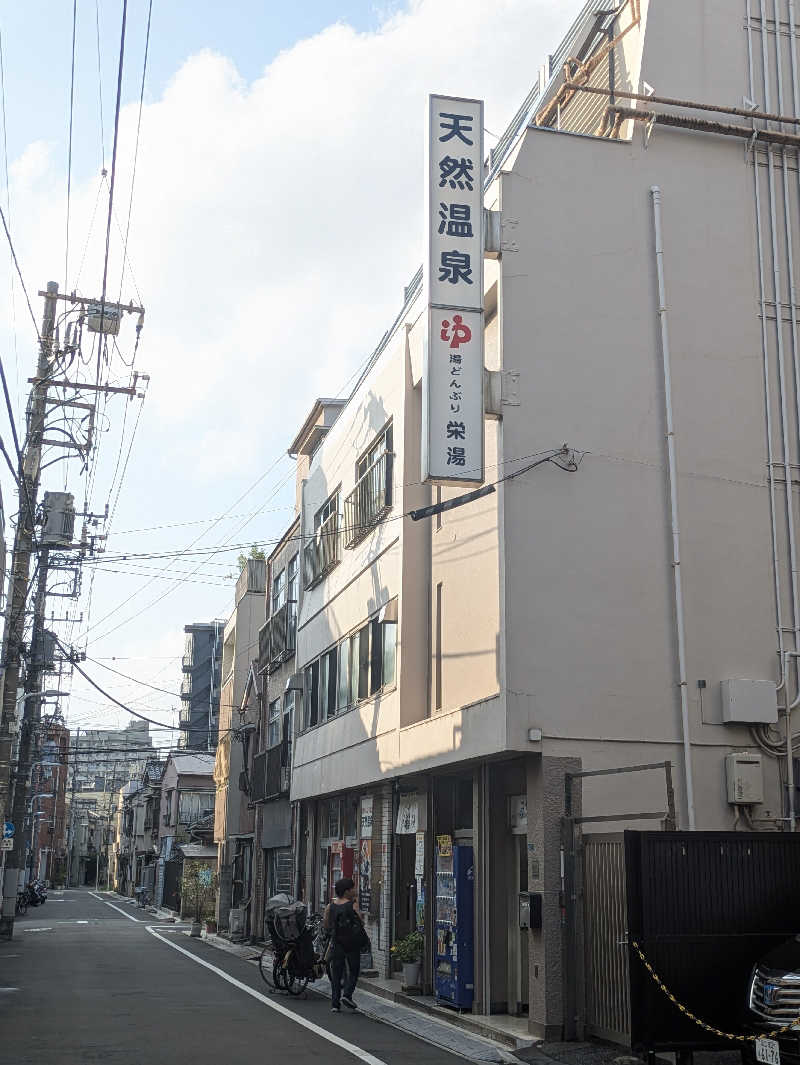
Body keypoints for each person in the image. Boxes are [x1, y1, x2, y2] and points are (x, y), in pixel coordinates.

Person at [324, 876, 364, 1013]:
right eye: (352, 888)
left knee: (336, 973)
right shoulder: (352, 905)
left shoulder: (331, 905)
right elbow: (360, 922)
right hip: (352, 944)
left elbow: (327, 924)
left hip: (337, 943)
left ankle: (335, 1004)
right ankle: (347, 995)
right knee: (353, 970)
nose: (354, 890)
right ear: (347, 891)